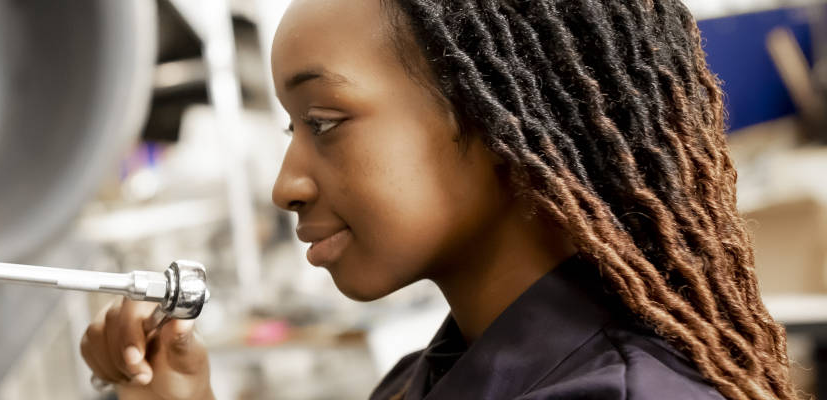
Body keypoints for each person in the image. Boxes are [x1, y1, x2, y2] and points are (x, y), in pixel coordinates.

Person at [79, 0, 799, 399]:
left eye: (325, 124)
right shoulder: (424, 380)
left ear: (501, 122)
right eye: (291, 130)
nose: (285, 185)